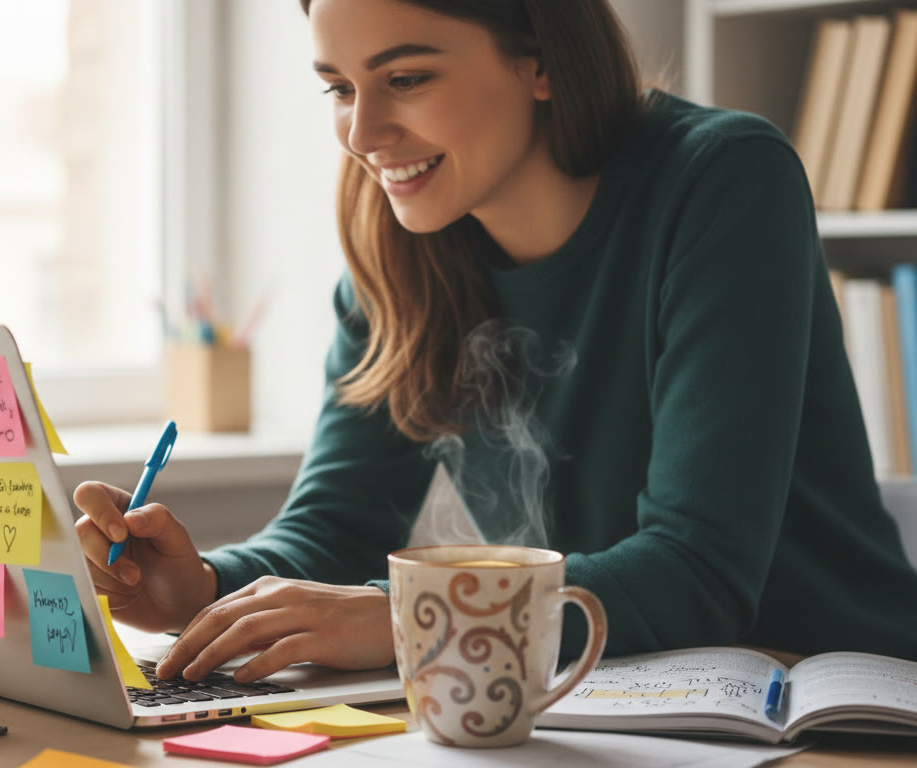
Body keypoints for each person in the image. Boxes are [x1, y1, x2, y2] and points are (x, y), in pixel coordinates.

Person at [74, 0, 917, 684]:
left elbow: (698, 574)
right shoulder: (399, 238)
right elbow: (335, 528)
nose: (363, 134)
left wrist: (411, 615)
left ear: (541, 57)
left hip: (820, 692)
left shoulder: (724, 181)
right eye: (338, 87)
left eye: (405, 77)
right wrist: (208, 585)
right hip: (597, 694)